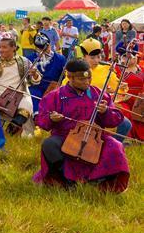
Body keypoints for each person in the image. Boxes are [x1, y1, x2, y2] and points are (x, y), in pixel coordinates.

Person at [33, 58, 129, 192]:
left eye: (89, 78)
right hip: (65, 137)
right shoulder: (55, 96)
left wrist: (105, 111)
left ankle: (100, 181)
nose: (86, 82)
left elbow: (115, 119)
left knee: (116, 146)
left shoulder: (98, 94)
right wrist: (51, 118)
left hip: (95, 137)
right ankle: (66, 181)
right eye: (81, 79)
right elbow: (42, 121)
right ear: (69, 77)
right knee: (49, 144)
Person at [0, 37, 35, 136]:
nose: (1, 50)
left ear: (14, 47)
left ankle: (10, 131)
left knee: (26, 106)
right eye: (0, 47)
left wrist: (34, 74)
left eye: (4, 47)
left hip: (20, 94)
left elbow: (34, 81)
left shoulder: (24, 61)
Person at [27, 34, 67, 117]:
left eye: (46, 48)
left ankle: (51, 116)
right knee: (33, 93)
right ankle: (37, 116)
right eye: (40, 49)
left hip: (54, 86)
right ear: (36, 48)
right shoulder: (30, 58)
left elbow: (64, 77)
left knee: (54, 97)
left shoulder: (60, 58)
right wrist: (33, 74)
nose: (43, 51)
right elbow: (27, 78)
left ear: (49, 45)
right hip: (36, 86)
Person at [113, 41, 143, 141]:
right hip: (122, 99)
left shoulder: (141, 69)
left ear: (136, 57)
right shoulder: (115, 69)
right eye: (125, 56)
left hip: (139, 101)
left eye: (130, 56)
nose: (127, 58)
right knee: (124, 111)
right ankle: (127, 138)